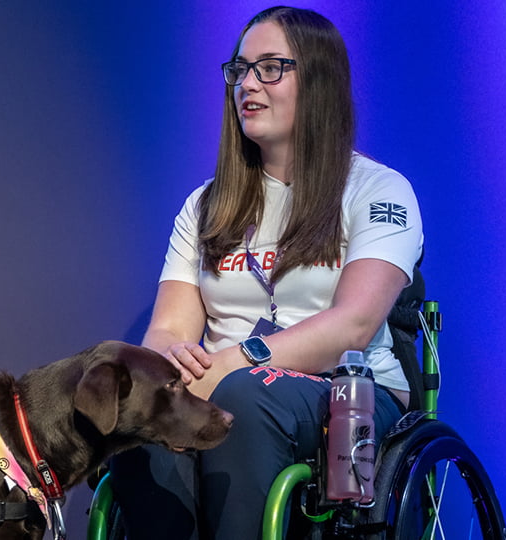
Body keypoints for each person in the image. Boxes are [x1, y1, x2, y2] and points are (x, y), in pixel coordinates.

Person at [110, 6, 424, 539]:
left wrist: (235, 363)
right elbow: (166, 330)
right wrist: (167, 369)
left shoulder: (378, 190)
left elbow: (353, 325)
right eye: (239, 70)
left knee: (246, 397)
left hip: (347, 393)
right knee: (140, 409)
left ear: (319, 81)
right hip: (223, 385)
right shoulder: (204, 205)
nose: (247, 84)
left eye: (270, 68)